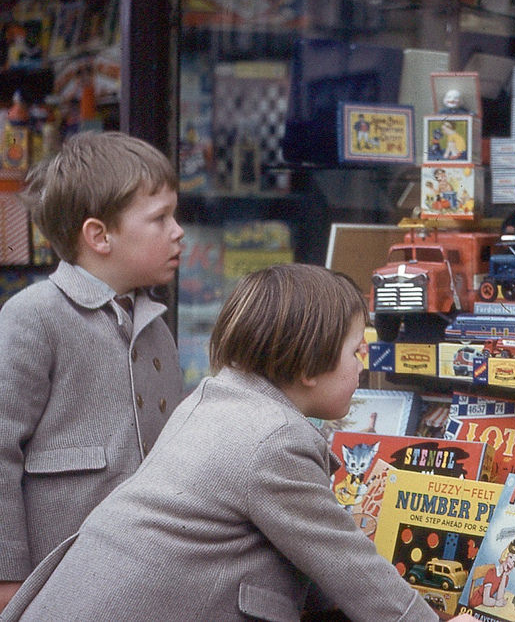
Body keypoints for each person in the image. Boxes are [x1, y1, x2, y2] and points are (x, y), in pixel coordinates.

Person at [1, 264, 477, 622]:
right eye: (355, 350)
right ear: (309, 368)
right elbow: (351, 569)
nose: (363, 364)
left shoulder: (213, 402)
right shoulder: (272, 441)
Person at [0, 131, 185, 611]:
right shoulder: (34, 315)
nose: (177, 231)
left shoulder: (156, 328)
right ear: (99, 235)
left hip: (145, 578)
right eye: (159, 218)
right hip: (56, 578)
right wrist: (5, 574)